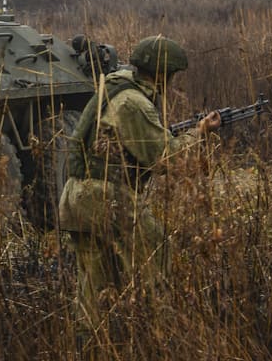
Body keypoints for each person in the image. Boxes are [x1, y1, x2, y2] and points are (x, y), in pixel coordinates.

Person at [57, 34, 221, 328]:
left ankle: (92, 344)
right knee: (155, 250)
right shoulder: (134, 102)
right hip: (105, 196)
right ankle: (160, 327)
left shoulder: (118, 87)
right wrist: (199, 133)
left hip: (77, 195)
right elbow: (166, 159)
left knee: (93, 291)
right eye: (171, 75)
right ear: (162, 74)